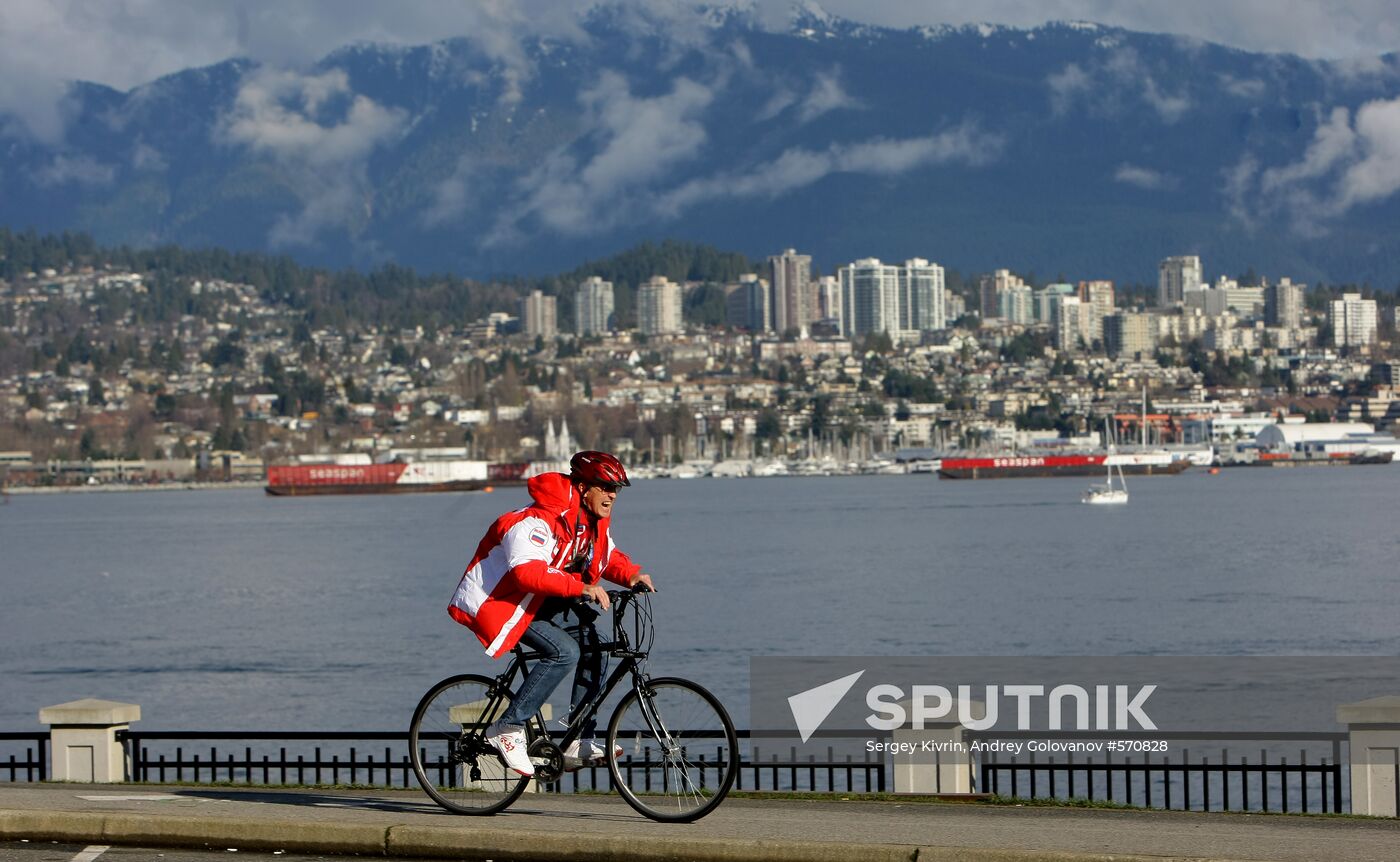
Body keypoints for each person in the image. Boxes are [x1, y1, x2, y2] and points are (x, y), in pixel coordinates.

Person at [448, 450, 655, 776]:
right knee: (564, 652)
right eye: (606, 487)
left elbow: (604, 556)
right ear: (583, 487)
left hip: (539, 600)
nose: (613, 495)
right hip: (503, 602)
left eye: (616, 489)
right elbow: (526, 573)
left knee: (596, 646)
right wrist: (581, 588)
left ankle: (579, 738)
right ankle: (507, 727)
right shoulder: (537, 521)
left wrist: (631, 575)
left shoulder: (590, 521)